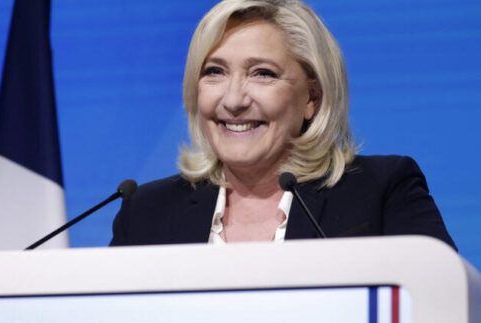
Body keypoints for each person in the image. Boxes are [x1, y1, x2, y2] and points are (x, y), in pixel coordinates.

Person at [110, 0, 456, 250]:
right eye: (214, 72)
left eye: (262, 73)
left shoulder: (381, 192)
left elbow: (441, 315)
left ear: (311, 98)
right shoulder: (145, 212)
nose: (233, 100)